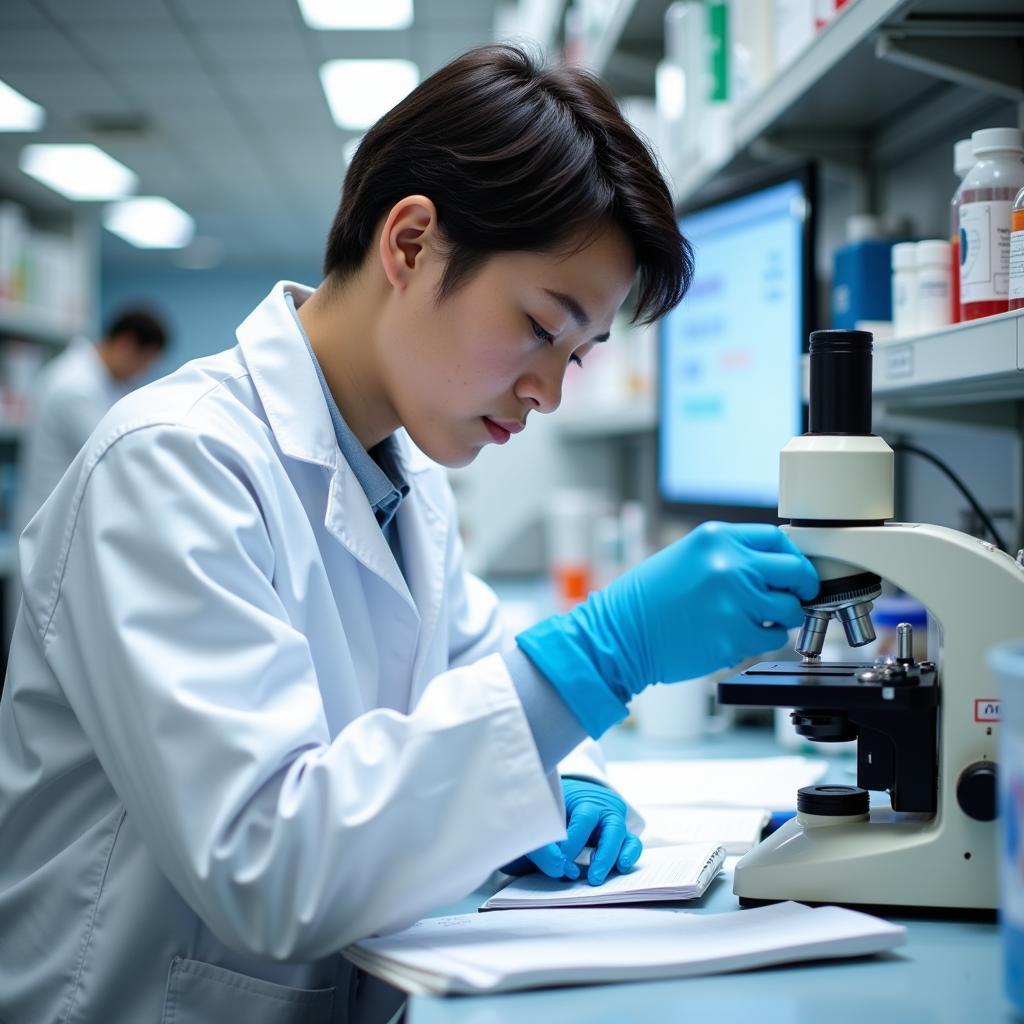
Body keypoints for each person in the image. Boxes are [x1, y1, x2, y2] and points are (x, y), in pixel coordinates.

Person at [0, 46, 818, 1024]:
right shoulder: (169, 465)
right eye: (539, 326)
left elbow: (482, 671)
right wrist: (608, 650)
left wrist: (571, 779)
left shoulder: (401, 473)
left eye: (579, 354)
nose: (550, 391)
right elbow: (269, 862)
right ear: (412, 242)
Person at [14, 306, 168, 532]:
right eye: (145, 362)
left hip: (71, 517)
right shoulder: (76, 388)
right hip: (54, 523)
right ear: (126, 344)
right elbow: (117, 454)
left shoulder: (102, 381)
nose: (143, 372)